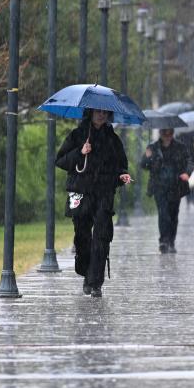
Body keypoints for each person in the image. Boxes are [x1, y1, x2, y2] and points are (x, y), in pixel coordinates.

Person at [56, 108, 132, 297]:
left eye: (105, 112)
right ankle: (86, 272)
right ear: (90, 112)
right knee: (82, 236)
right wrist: (80, 153)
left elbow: (121, 164)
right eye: (98, 112)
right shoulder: (77, 135)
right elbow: (60, 160)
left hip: (104, 193)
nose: (101, 115)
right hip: (80, 191)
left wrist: (122, 175)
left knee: (102, 236)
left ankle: (95, 281)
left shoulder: (113, 139)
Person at [141, 127, 192, 253]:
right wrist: (147, 157)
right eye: (165, 132)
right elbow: (144, 165)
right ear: (160, 133)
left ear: (173, 133)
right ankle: (163, 241)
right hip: (159, 186)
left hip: (176, 185)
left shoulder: (180, 147)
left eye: (170, 132)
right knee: (163, 214)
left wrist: (187, 173)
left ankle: (171, 241)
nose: (167, 135)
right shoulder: (152, 147)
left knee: (173, 215)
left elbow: (189, 161)